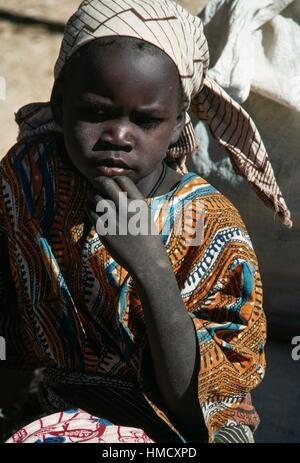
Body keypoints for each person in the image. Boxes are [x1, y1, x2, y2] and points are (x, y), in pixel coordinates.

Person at [0, 0, 292, 444]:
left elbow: (200, 408)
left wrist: (151, 265)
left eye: (146, 120)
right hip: (49, 404)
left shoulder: (208, 222)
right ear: (59, 107)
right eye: (96, 112)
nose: (119, 135)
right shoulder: (29, 176)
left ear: (177, 125)